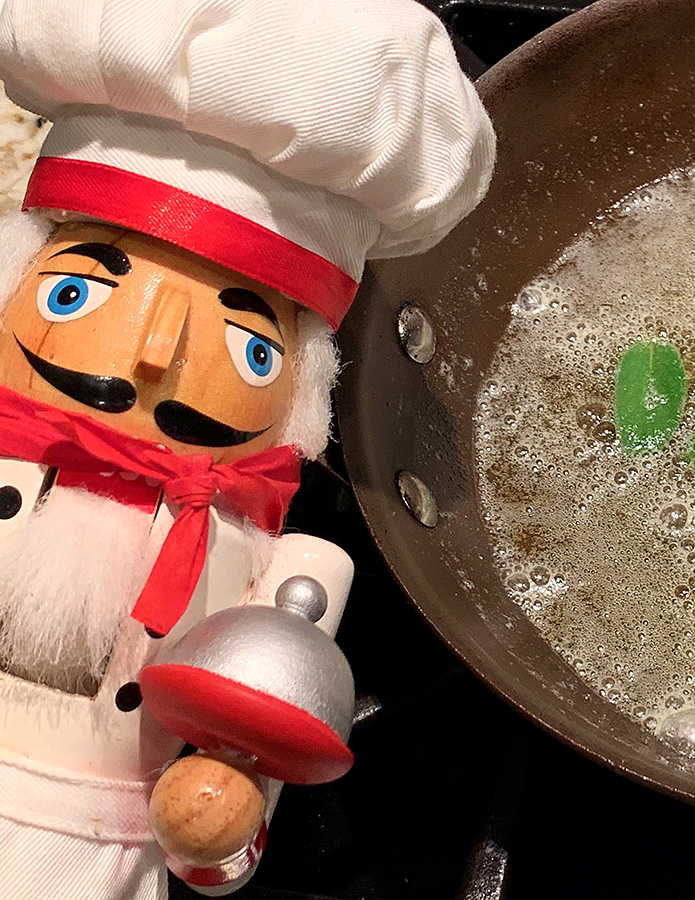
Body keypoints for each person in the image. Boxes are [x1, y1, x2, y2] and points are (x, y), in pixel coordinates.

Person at [0, 0, 495, 896]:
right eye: (77, 293)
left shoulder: (294, 568)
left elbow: (228, 826)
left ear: (303, 391)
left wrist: (222, 805)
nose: (152, 350)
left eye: (249, 347)